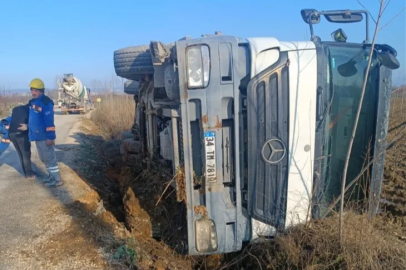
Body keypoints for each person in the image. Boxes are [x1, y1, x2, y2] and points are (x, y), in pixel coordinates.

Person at [28, 78, 63, 187]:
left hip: (45, 137)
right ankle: (51, 176)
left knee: (50, 159)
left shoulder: (46, 103)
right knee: (43, 158)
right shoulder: (33, 102)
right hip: (37, 136)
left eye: (36, 90)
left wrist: (50, 137)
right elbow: (33, 119)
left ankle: (57, 180)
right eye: (32, 90)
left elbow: (49, 122)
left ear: (41, 90)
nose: (33, 92)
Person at [8, 103, 35, 179]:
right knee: (25, 154)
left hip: (11, 133)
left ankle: (27, 172)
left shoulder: (16, 109)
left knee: (20, 154)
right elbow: (33, 122)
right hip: (20, 133)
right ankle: (29, 174)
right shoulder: (29, 110)